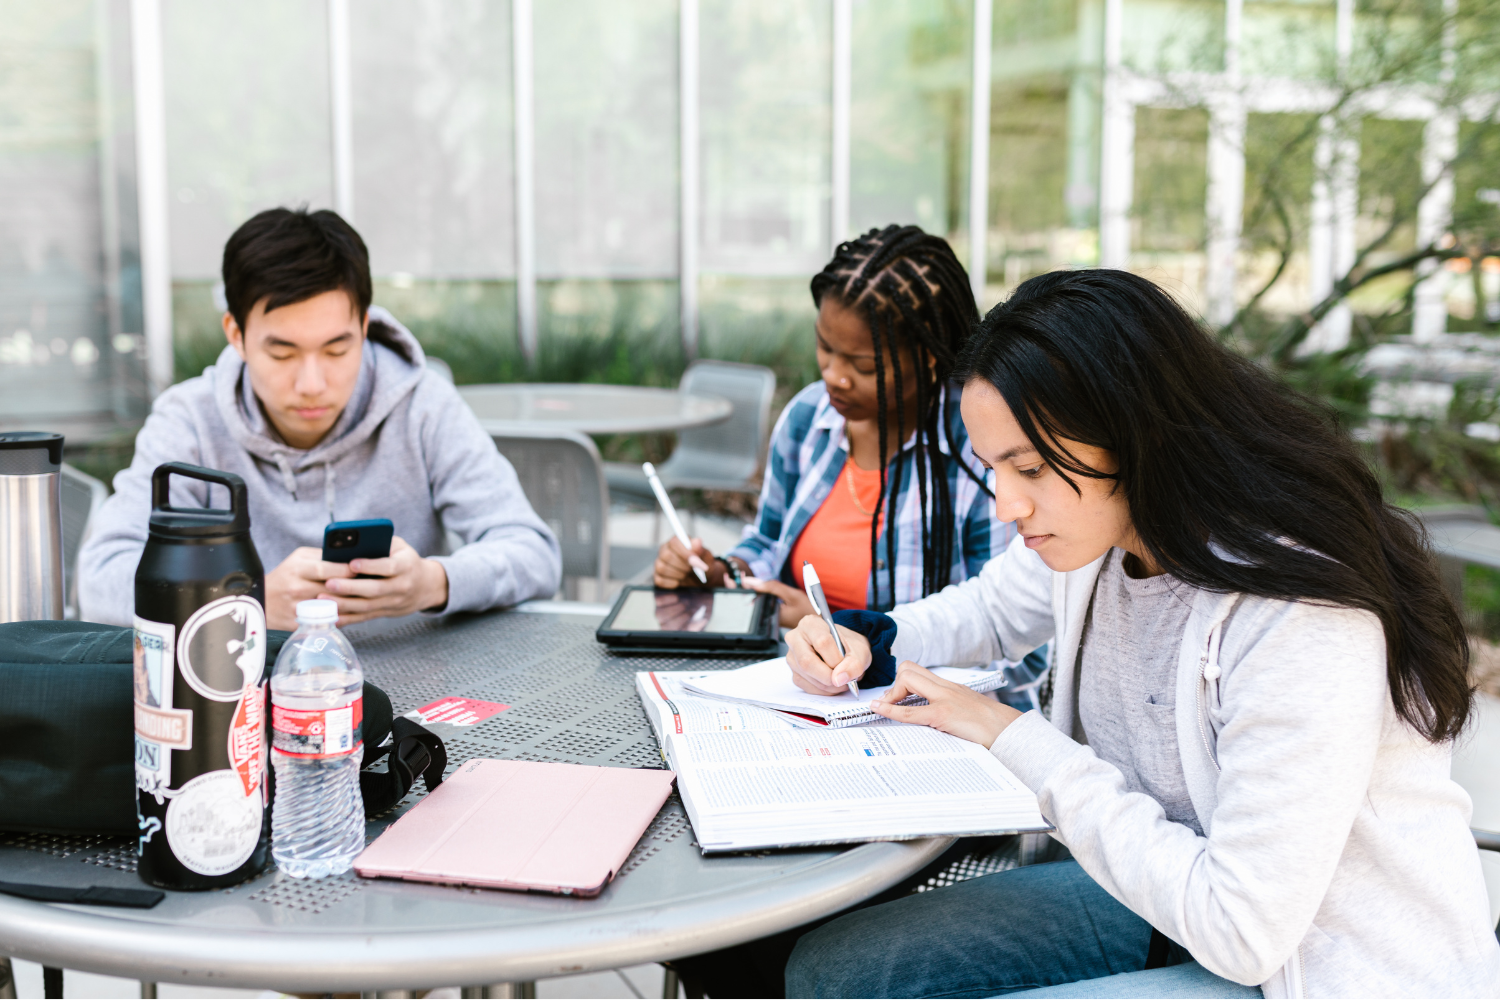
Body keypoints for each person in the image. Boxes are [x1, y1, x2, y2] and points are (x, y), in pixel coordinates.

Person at [781, 269, 1500, 998]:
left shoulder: (1296, 614)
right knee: (832, 973)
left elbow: (1242, 933)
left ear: (1133, 434)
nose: (1005, 505)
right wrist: (871, 635)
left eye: (1028, 467)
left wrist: (1013, 737)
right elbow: (992, 611)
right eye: (993, 467)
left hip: (1318, 968)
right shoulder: (1105, 531)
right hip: (1171, 897)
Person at [80, 208, 560, 630]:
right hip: (244, 696)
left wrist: (433, 583)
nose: (312, 382)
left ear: (365, 326)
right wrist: (248, 602)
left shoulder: (422, 405)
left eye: (337, 348)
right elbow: (101, 578)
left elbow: (533, 552)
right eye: (283, 352)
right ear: (236, 333)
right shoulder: (189, 421)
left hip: (415, 692)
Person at [653, 224, 1046, 705]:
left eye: (863, 366)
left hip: (930, 719)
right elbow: (768, 542)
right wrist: (723, 574)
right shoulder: (807, 420)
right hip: (803, 697)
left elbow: (1014, 640)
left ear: (927, 356)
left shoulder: (978, 446)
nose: (834, 377)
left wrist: (844, 629)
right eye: (825, 348)